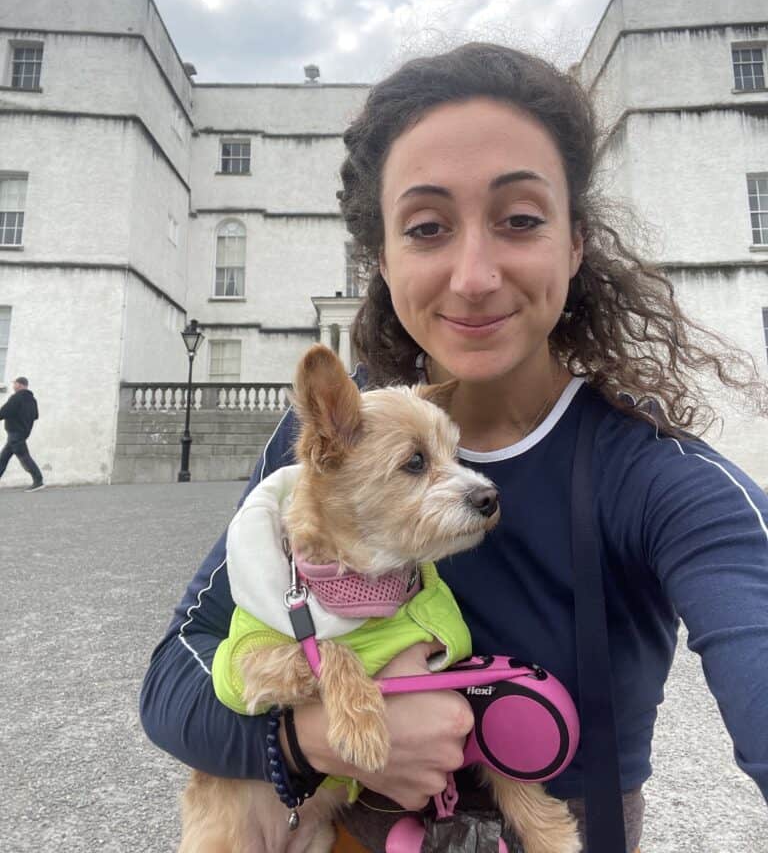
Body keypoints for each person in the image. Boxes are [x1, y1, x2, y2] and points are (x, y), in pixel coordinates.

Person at [140, 43, 768, 853]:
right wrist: (307, 743)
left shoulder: (658, 477)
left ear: (575, 242)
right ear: (384, 260)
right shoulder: (330, 449)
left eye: (519, 220)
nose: (474, 275)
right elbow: (175, 681)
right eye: (428, 227)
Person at [0, 375, 44, 491]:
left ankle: (38, 480)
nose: (13, 386)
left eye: (14, 383)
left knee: (24, 457)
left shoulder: (16, 398)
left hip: (15, 433)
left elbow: (5, 411)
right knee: (3, 458)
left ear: (20, 384)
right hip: (22, 432)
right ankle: (38, 480)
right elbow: (35, 416)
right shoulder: (32, 400)